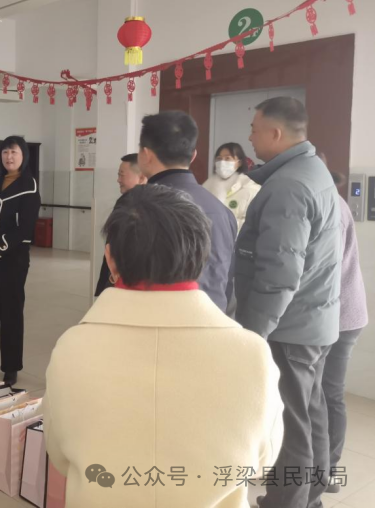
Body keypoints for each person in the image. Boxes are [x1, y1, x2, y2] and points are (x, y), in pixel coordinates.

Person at [43, 185, 283, 508]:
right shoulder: (252, 354)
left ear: (110, 259)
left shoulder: (71, 349)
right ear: (202, 256)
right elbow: (264, 459)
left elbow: (59, 454)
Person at [236, 97, 341, 508]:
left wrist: (254, 335)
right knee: (310, 412)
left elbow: (279, 273)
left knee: (291, 422)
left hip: (290, 326)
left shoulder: (288, 187)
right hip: (313, 320)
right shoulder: (311, 170)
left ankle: (286, 502)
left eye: (254, 129)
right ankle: (310, 495)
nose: (249, 137)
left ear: (276, 133)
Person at [137, 111, 237, 312]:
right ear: (193, 155)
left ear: (146, 154)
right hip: (213, 317)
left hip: (159, 319)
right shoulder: (223, 212)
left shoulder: (140, 208)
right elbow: (227, 276)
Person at [0, 135, 41, 386]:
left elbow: (24, 228)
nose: (9, 157)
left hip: (13, 259)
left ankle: (11, 366)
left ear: (24, 156)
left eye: (14, 152)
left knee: (11, 311)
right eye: (5, 152)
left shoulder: (29, 186)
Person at [322, 172, 368, 495]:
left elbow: (326, 268)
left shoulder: (332, 207)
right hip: (338, 313)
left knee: (330, 394)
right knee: (321, 394)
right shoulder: (330, 202)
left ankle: (328, 470)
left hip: (342, 317)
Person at [94, 153, 147, 297]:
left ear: (141, 177)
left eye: (122, 175)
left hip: (123, 279)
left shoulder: (129, 201)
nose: (118, 179)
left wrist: (112, 279)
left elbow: (118, 244)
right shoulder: (155, 199)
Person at [203, 142, 261, 232]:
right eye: (219, 158)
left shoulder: (250, 188)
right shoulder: (206, 186)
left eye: (227, 158)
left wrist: (222, 225)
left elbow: (252, 224)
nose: (222, 162)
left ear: (239, 162)